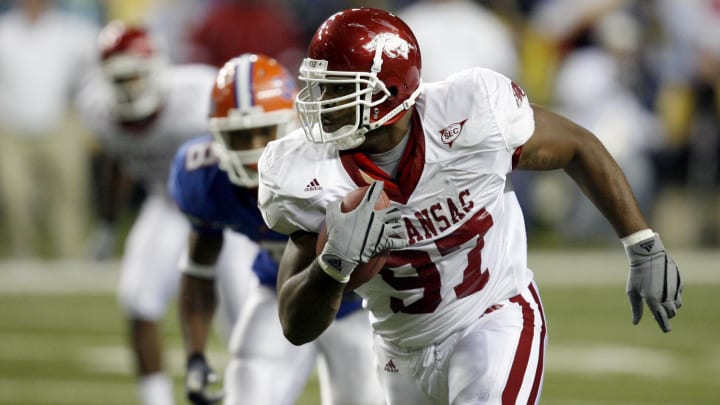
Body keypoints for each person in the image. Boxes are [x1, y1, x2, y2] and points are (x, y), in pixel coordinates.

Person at [257, 8, 684, 405]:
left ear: (388, 92)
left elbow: (577, 145)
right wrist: (330, 268)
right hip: (397, 350)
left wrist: (642, 242)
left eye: (338, 88)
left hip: (492, 317)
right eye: (320, 84)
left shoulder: (471, 113)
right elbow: (295, 326)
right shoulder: (306, 172)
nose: (321, 103)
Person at [168, 53, 385, 405]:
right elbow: (198, 267)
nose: (253, 150)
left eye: (264, 132)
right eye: (239, 137)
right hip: (279, 293)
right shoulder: (204, 179)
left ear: (291, 125)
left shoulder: (339, 166)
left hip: (362, 306)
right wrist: (194, 355)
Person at [76, 21, 251, 405]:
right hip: (168, 203)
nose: (129, 88)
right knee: (138, 298)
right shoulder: (96, 109)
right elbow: (117, 160)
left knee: (243, 313)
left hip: (227, 209)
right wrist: (107, 223)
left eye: (136, 77)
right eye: (119, 80)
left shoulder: (201, 92)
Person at [0, 0, 98, 258]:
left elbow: (96, 66)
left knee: (70, 194)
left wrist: (84, 106)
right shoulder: (5, 32)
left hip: (59, 124)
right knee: (16, 196)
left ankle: (72, 255)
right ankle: (23, 253)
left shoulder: (71, 32)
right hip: (11, 128)